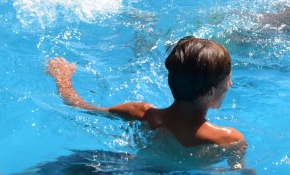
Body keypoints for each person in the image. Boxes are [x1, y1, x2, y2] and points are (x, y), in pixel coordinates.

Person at [46, 37, 244, 150]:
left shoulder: (140, 113)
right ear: (210, 92)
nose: (230, 84)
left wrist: (62, 76)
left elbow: (78, 106)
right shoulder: (228, 139)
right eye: (227, 80)